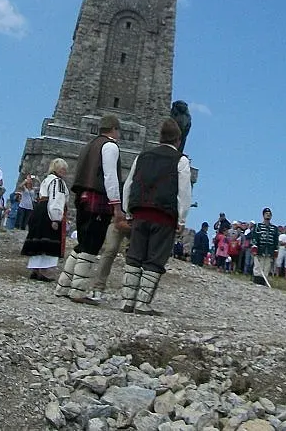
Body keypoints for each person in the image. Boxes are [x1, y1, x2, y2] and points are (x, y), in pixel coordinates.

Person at [121, 118, 191, 314]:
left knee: (134, 255)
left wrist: (127, 211)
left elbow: (129, 184)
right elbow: (183, 193)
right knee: (154, 259)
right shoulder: (181, 160)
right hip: (164, 217)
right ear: (178, 139)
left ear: (160, 138)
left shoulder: (142, 157)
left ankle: (127, 302)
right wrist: (182, 219)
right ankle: (142, 304)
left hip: (140, 214)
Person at [55, 114, 123, 302]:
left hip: (83, 198)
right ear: (114, 129)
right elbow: (110, 177)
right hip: (98, 199)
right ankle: (78, 291)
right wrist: (116, 206)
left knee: (82, 243)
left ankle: (63, 286)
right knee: (92, 245)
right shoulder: (109, 146)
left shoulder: (89, 145)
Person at [21, 158, 69, 281]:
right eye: (62, 169)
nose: (64, 171)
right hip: (48, 211)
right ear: (57, 169)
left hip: (40, 210)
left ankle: (35, 270)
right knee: (48, 241)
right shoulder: (57, 182)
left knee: (39, 240)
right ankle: (44, 271)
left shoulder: (47, 180)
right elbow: (56, 199)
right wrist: (56, 218)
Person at [250, 207, 279, 286]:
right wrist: (254, 248)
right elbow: (255, 237)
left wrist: (276, 251)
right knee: (257, 267)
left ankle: (263, 283)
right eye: (266, 214)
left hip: (269, 251)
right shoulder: (258, 226)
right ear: (263, 215)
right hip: (260, 250)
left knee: (266, 267)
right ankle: (256, 282)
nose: (268, 215)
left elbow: (276, 240)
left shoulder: (274, 228)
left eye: (269, 214)